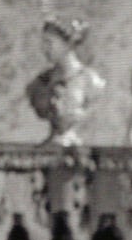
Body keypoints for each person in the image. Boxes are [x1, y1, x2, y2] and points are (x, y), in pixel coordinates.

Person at [26, 16, 106, 146]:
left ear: (67, 44)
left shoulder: (90, 80)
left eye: (49, 42)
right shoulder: (38, 83)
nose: (44, 49)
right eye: (43, 43)